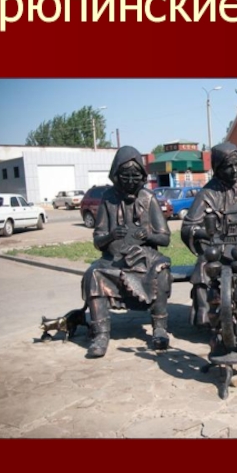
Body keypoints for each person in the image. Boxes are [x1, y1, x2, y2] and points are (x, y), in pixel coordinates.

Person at [81, 145, 172, 358]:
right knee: (94, 274)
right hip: (114, 260)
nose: (130, 181)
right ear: (116, 175)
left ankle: (159, 328)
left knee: (161, 272)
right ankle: (101, 334)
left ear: (142, 176)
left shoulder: (148, 198)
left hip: (146, 258)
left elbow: (165, 238)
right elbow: (98, 241)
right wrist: (111, 235)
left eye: (135, 176)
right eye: (125, 176)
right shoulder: (108, 199)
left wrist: (148, 235)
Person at [181, 143, 237, 355]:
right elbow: (189, 226)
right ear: (218, 168)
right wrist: (207, 233)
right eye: (229, 166)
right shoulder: (207, 194)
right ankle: (211, 321)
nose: (235, 170)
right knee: (204, 269)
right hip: (216, 249)